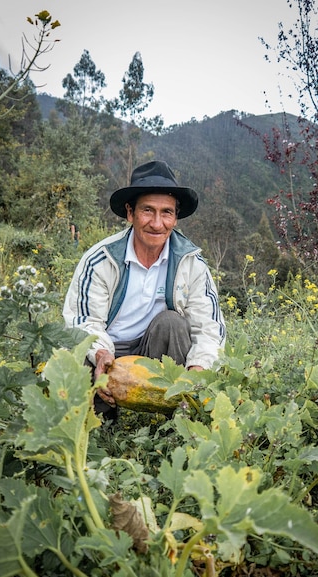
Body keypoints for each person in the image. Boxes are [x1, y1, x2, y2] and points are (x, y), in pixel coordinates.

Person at [63, 160, 226, 415]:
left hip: (153, 351)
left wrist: (197, 371)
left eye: (167, 212)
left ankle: (173, 412)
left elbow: (210, 329)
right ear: (130, 213)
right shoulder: (101, 260)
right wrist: (101, 355)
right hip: (108, 351)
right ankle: (103, 411)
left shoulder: (191, 263)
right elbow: (83, 320)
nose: (157, 223)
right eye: (148, 210)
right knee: (83, 410)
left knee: (173, 323)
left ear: (176, 217)